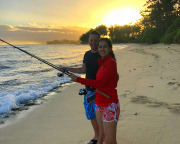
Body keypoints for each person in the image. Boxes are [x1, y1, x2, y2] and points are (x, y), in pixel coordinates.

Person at [69, 38, 120, 144]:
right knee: (101, 135)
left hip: (109, 104)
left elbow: (99, 83)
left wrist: (78, 79)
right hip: (99, 102)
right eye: (100, 47)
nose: (102, 49)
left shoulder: (110, 62)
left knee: (110, 141)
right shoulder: (102, 62)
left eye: (104, 46)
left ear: (110, 48)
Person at [59, 30, 101, 144]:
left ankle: (101, 138)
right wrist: (66, 68)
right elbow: (82, 70)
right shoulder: (87, 54)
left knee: (99, 116)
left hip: (99, 91)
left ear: (99, 41)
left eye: (95, 40)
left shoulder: (102, 55)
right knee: (91, 114)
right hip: (88, 90)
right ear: (88, 41)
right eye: (91, 40)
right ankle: (96, 136)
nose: (93, 42)